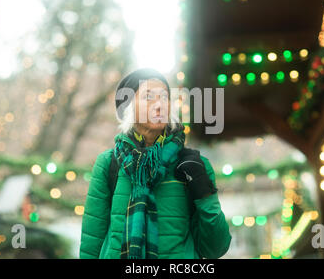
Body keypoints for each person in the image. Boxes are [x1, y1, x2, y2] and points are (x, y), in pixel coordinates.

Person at [80, 68, 231, 259]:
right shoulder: (109, 164)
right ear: (128, 108)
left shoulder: (195, 165)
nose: (158, 105)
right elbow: (91, 243)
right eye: (148, 97)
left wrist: (205, 193)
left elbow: (216, 248)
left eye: (164, 97)